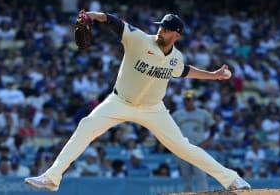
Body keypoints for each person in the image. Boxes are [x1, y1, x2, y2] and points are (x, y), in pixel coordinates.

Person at [24, 11, 251, 192]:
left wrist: (213, 75)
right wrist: (92, 16)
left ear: (177, 35)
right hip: (119, 101)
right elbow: (113, 21)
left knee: (183, 148)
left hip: (153, 109)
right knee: (87, 125)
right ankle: (52, 177)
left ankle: (232, 179)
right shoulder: (140, 40)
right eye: (161, 26)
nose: (162, 30)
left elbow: (184, 71)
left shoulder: (176, 57)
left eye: (168, 29)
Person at [172, 89, 215, 192]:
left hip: (198, 148)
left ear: (194, 100)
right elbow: (171, 130)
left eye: (189, 99)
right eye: (185, 99)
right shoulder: (177, 114)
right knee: (186, 178)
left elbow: (213, 127)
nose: (186, 101)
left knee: (201, 176)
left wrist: (207, 141)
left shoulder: (203, 113)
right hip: (183, 150)